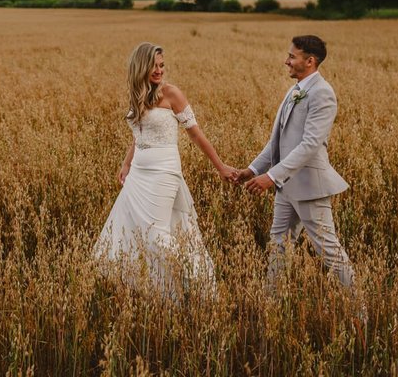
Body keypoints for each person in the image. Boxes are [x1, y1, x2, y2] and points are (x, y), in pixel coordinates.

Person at [94, 42, 238, 288]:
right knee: (127, 230)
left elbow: (195, 134)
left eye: (162, 65)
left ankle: (198, 276)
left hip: (164, 172)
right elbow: (139, 135)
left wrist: (220, 166)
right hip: (138, 173)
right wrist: (126, 164)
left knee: (155, 234)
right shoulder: (138, 94)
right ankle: (157, 288)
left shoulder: (172, 93)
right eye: (154, 65)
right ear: (141, 66)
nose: (159, 70)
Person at [236, 35, 355, 290]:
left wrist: (271, 177)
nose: (286, 61)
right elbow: (277, 142)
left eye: (292, 56)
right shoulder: (295, 90)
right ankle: (272, 303)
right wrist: (253, 169)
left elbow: (310, 145)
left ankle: (361, 311)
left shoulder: (322, 93)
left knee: (328, 250)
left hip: (310, 186)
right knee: (278, 243)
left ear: (310, 61)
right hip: (286, 187)